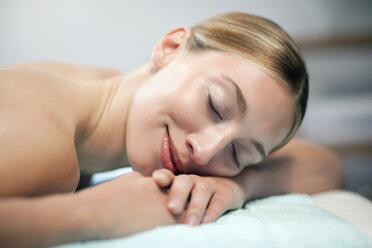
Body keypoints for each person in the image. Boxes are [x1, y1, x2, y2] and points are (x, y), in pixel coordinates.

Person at [0, 12, 344, 247]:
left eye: (238, 152)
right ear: (171, 48)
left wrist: (236, 185)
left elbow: (325, 165)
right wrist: (100, 211)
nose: (206, 151)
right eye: (215, 105)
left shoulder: (99, 89)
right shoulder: (50, 144)